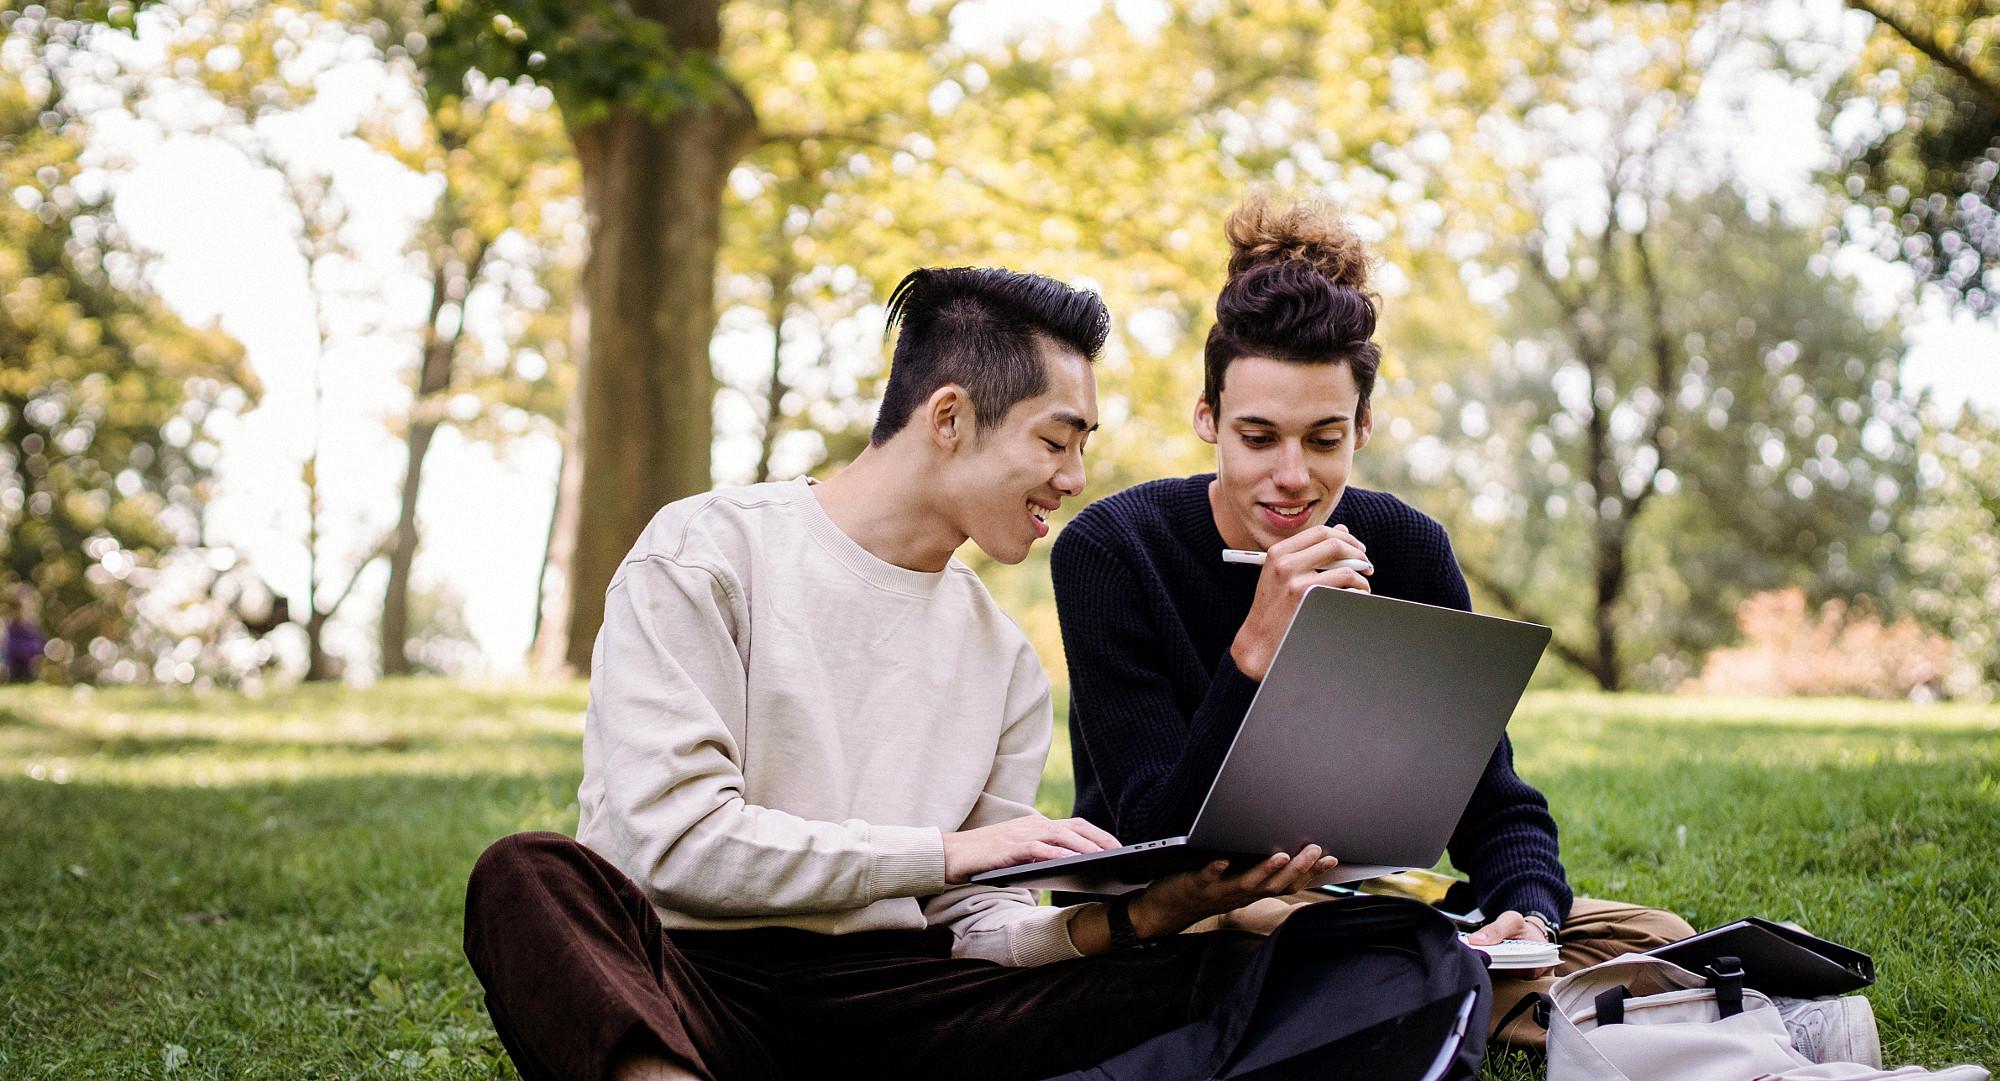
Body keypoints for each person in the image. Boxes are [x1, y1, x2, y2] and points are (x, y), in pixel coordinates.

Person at [462, 267, 1343, 1081]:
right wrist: (947, 852)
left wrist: (1149, 913)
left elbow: (975, 933)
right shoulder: (707, 553)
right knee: (529, 878)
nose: (1074, 478)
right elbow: (676, 844)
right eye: (1056, 441)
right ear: (950, 417)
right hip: (689, 976)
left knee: (1228, 967)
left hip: (900, 1002)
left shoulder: (1002, 660)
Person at [1049, 190, 1693, 1046]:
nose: (1292, 475)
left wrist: (1528, 920)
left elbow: (1494, 802)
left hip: (1370, 900)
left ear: (1363, 427)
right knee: (1328, 949)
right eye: (1258, 436)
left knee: (1654, 937)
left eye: (1324, 439)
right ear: (1207, 420)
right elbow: (1154, 840)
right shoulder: (1113, 550)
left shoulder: (1409, 549)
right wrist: (1255, 649)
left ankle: (1503, 991)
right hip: (1198, 920)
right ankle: (1586, 1017)